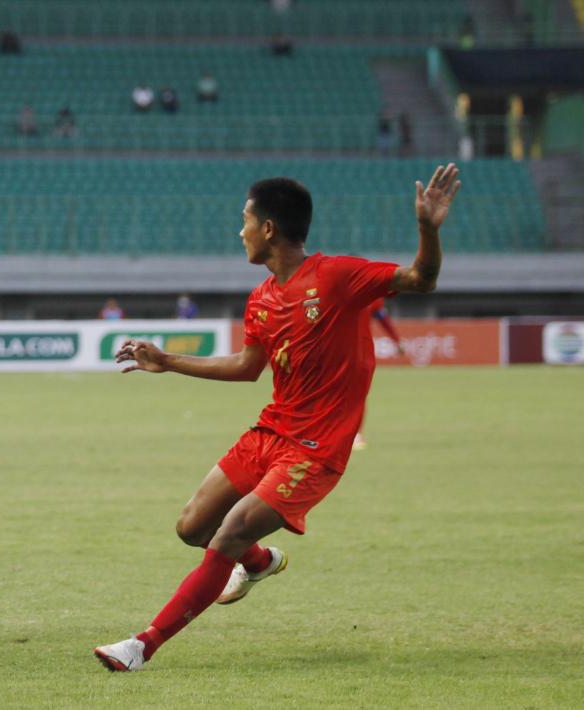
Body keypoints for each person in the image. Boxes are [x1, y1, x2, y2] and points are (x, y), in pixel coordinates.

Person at [93, 165, 461, 672]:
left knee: (231, 531)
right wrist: (168, 361)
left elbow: (420, 279)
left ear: (268, 228)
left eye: (244, 219)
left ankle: (142, 645)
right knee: (192, 527)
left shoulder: (336, 276)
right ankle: (260, 562)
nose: (239, 230)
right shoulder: (262, 298)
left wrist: (427, 229)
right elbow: (248, 368)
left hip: (315, 451)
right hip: (270, 433)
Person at [354, 297, 406, 450]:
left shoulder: (371, 296)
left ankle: (356, 433)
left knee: (357, 395)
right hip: (333, 351)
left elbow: (383, 319)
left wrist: (396, 340)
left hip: (358, 352)